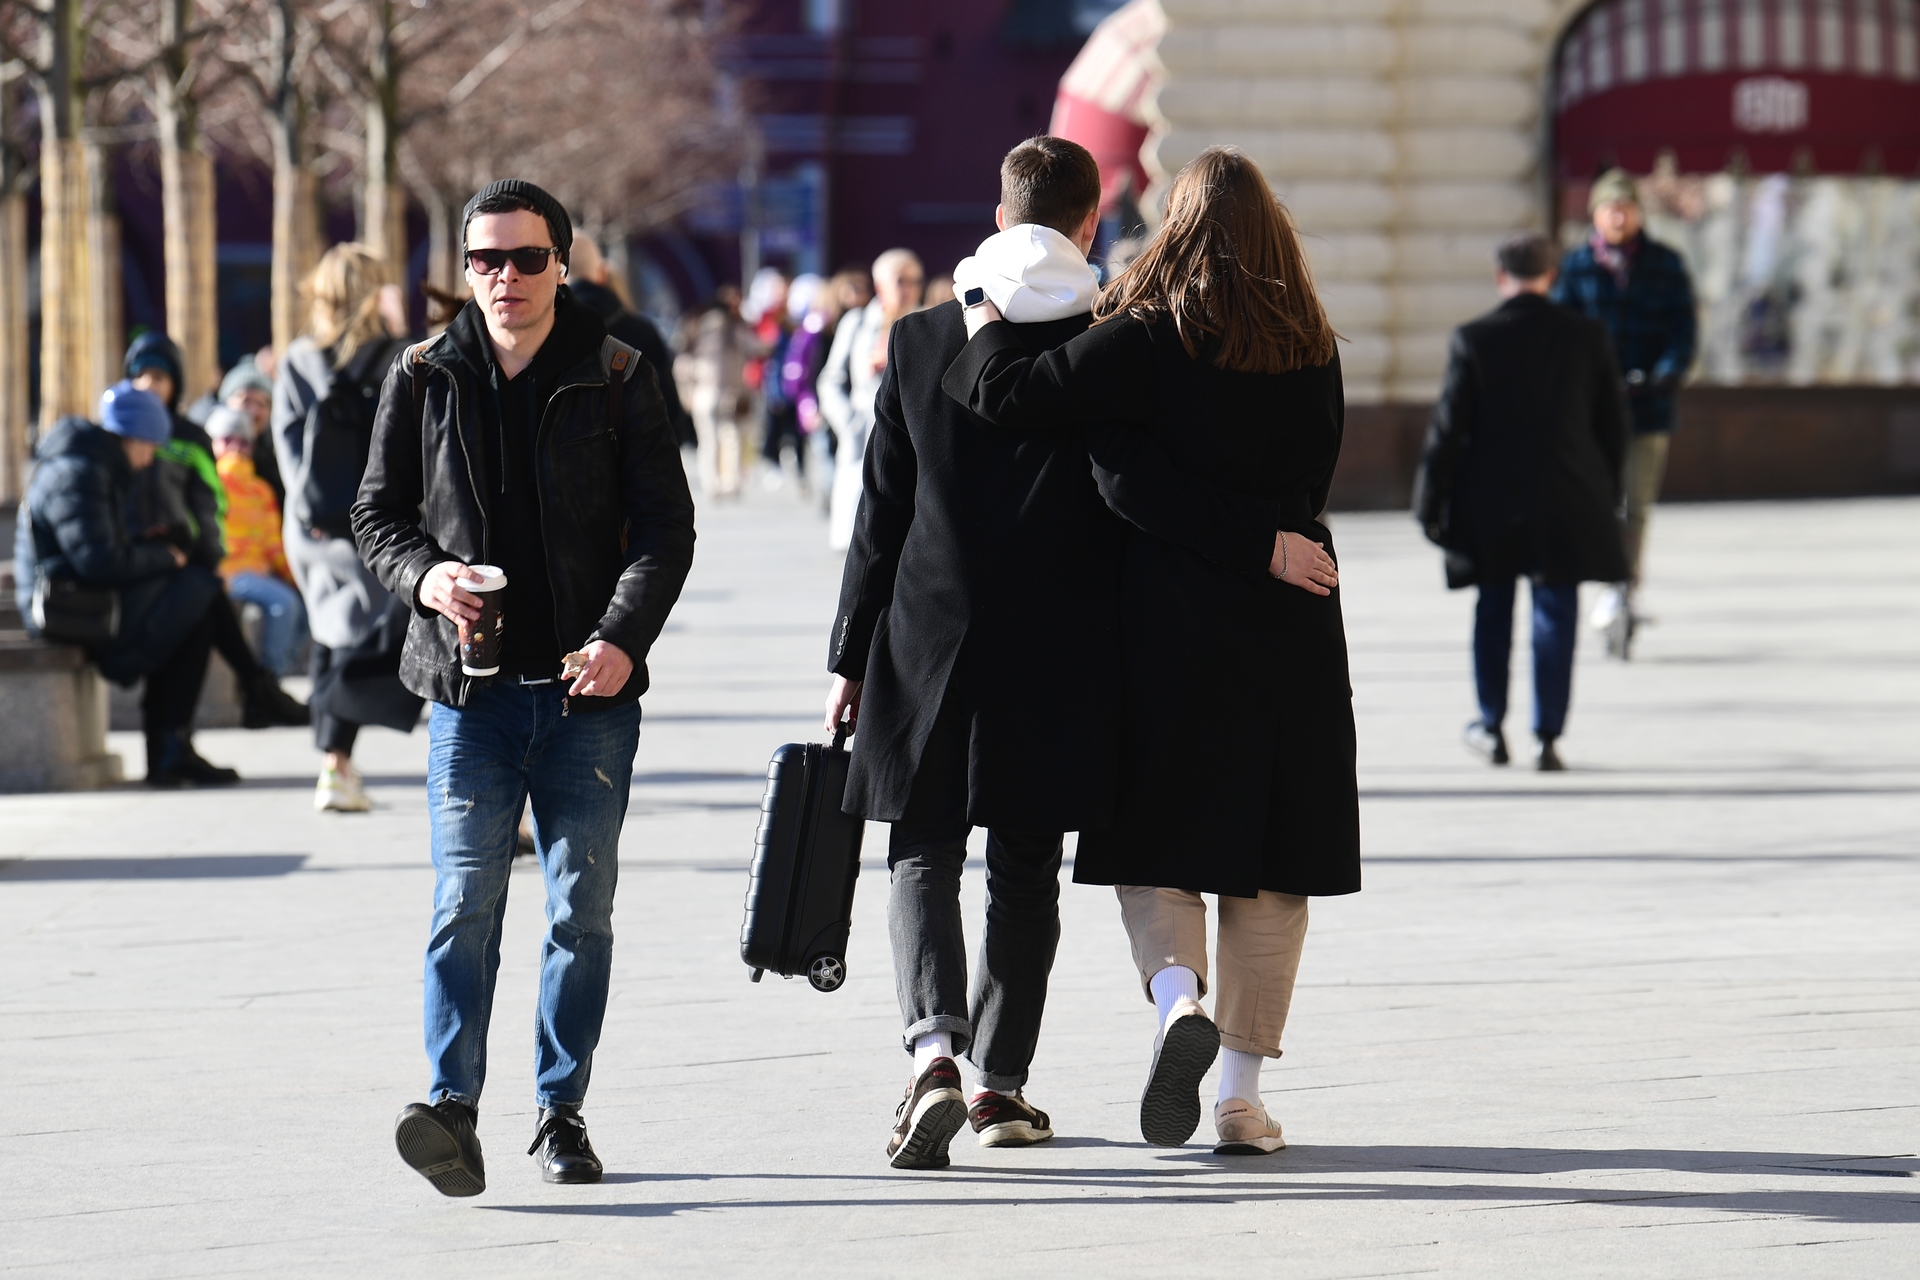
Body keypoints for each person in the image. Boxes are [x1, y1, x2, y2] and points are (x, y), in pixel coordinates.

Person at [824, 136, 1303, 1170]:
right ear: (1091, 224)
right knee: (1024, 869)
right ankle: (1000, 1085)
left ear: (999, 218)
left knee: (920, 849)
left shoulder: (916, 339)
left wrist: (848, 656)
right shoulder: (1116, 339)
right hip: (1065, 647)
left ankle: (932, 1056)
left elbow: (880, 516)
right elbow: (1135, 492)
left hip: (927, 637)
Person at [947, 146, 1358, 1156]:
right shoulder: (1313, 345)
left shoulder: (1142, 336)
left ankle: (1179, 1001)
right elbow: (1311, 483)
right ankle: (1241, 1097)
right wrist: (1268, 539)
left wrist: (979, 314)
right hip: (1291, 615)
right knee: (1270, 864)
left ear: (1174, 227)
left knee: (1159, 835)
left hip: (1167, 622)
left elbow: (1022, 404)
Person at [355, 179, 695, 1196]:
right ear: (462, 271)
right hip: (469, 694)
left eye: (527, 258)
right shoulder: (421, 374)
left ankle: (560, 1110)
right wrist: (428, 576)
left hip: (587, 692)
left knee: (579, 908)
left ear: (564, 260)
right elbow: (377, 514)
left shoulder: (619, 368)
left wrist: (622, 639)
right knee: (465, 899)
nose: (505, 279)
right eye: (485, 261)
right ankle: (450, 1105)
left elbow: (665, 528)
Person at [1414, 233, 1631, 772]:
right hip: (1568, 496)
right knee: (1556, 613)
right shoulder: (1587, 336)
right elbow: (1614, 428)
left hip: (1491, 502)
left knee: (1493, 610)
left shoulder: (1474, 339)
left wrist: (1430, 501)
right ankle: (1547, 736)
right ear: (1551, 277)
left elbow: (1448, 430)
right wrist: (1609, 494)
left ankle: (1491, 725)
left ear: (1499, 276)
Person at [17, 385, 304, 786]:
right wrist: (164, 557)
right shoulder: (79, 472)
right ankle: (235, 702)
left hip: (85, 599)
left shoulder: (92, 464)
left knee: (197, 612)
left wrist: (153, 545)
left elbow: (99, 552)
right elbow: (97, 562)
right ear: (132, 438)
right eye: (150, 447)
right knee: (200, 589)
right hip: (70, 610)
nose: (150, 458)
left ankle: (175, 746)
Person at [274, 242, 423, 814]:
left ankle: (334, 764)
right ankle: (336, 760)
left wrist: (309, 511)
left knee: (332, 629)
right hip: (376, 519)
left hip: (311, 523)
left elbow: (288, 445)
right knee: (365, 632)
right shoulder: (399, 354)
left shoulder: (299, 357)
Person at [1551, 168, 1697, 659]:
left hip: (1648, 408)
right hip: (1592, 412)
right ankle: (1606, 577)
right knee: (1599, 501)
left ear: (1637, 212)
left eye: (1626, 207)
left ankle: (1625, 584)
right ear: (1594, 214)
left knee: (1638, 503)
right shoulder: (1574, 268)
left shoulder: (1665, 265)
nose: (1618, 215)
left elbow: (1684, 331)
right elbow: (1560, 332)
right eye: (1609, 207)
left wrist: (1665, 373)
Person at [819, 249, 922, 549]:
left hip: (911, 438)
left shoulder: (927, 322)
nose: (908, 290)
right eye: (900, 281)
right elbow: (830, 381)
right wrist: (847, 421)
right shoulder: (859, 323)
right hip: (864, 433)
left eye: (914, 281)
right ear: (880, 286)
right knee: (861, 544)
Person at [565, 233, 695, 451]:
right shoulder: (642, 333)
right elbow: (669, 418)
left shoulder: (544, 335)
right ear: (602, 274)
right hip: (631, 468)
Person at [206, 405, 309, 677]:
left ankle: (278, 674)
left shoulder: (261, 490)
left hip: (258, 574)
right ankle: (268, 679)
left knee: (305, 604)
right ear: (213, 442)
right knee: (284, 604)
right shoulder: (211, 481)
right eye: (227, 439)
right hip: (227, 573)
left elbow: (274, 543)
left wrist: (296, 578)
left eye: (243, 441)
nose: (236, 448)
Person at [124, 332, 225, 572]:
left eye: (159, 377)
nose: (148, 384)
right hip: (128, 557)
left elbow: (209, 503)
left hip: (181, 560)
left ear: (174, 384)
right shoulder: (119, 435)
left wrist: (211, 557)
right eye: (140, 375)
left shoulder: (191, 438)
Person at [675, 284, 763, 500]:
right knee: (730, 436)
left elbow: (681, 363)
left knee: (708, 440)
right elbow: (757, 348)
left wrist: (686, 391)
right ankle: (729, 483)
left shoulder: (695, 326)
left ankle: (710, 483)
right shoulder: (731, 328)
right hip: (726, 392)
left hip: (701, 392)